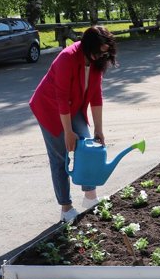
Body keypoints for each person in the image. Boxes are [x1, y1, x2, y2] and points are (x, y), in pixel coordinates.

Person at [29, 26, 117, 223]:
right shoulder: (67, 58)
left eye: (105, 53)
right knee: (60, 158)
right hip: (49, 108)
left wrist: (99, 129)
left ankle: (90, 196)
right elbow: (61, 97)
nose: (102, 56)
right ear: (89, 47)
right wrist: (67, 132)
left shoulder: (97, 62)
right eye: (100, 52)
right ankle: (66, 207)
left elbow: (96, 96)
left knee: (88, 145)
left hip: (73, 106)